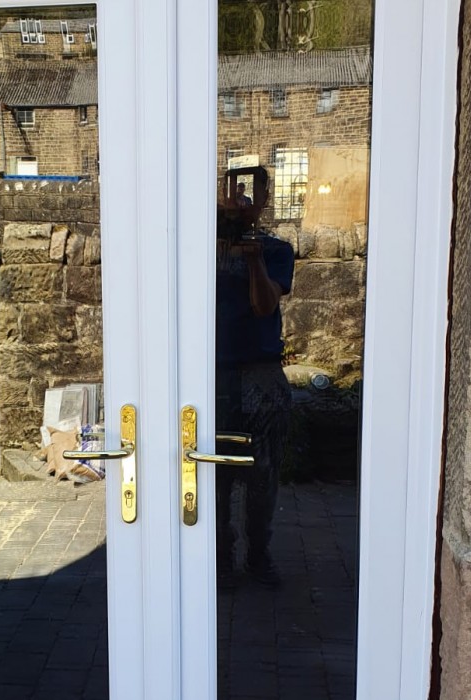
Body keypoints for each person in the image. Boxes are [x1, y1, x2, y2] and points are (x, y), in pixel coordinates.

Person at [216, 166, 294, 589]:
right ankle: (220, 558)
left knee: (263, 474)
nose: (242, 200)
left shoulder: (276, 250)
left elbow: (265, 305)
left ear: (264, 200)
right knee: (214, 474)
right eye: (233, 191)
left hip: (261, 372)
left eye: (249, 193)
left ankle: (258, 554)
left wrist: (253, 258)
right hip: (214, 372)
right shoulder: (200, 247)